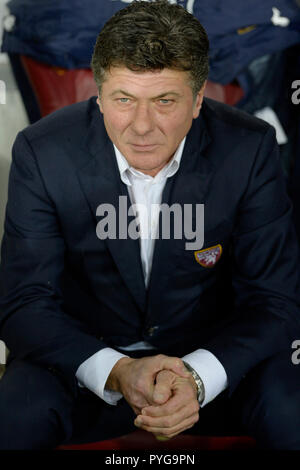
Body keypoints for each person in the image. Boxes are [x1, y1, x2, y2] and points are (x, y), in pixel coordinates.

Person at [0, 0, 299, 450]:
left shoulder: (250, 147)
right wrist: (118, 371)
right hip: (85, 365)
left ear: (198, 100)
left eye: (164, 101)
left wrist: (197, 376)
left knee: (291, 408)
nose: (141, 126)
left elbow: (276, 300)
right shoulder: (42, 152)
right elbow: (24, 302)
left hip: (215, 366)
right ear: (99, 95)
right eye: (123, 100)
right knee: (15, 416)